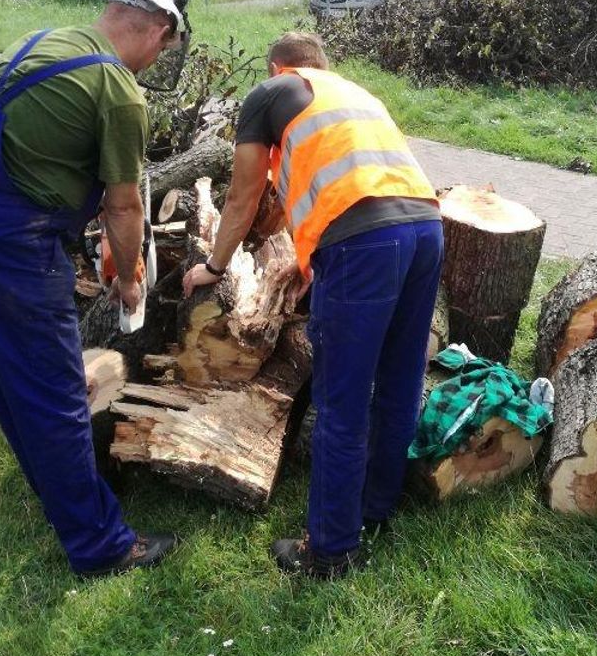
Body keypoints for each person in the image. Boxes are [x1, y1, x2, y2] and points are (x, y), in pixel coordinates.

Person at [0, 0, 190, 577]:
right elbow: (125, 206)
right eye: (165, 44)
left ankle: (60, 494)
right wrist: (129, 280)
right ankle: (101, 546)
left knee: (7, 381)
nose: (159, 57)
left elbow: (39, 151)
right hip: (15, 244)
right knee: (55, 393)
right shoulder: (120, 92)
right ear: (158, 28)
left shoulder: (41, 41)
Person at [183, 32, 443, 578]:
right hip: (425, 227)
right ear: (321, 66)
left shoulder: (270, 92)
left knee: (342, 399)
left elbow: (243, 194)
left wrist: (213, 265)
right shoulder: (353, 94)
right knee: (398, 380)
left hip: (362, 240)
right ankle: (376, 508)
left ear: (278, 66)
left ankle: (329, 549)